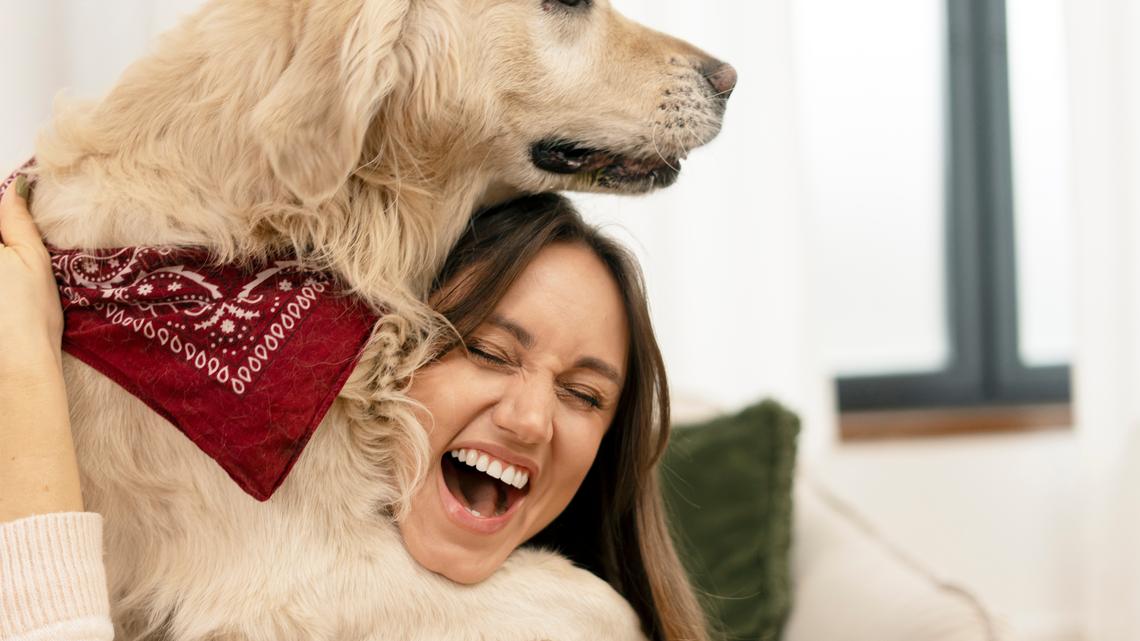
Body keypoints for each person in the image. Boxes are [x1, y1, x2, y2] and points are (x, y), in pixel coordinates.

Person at [0, 184, 708, 641]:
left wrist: (25, 378)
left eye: (585, 396)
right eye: (488, 351)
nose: (530, 420)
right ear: (374, 359)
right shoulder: (205, 567)